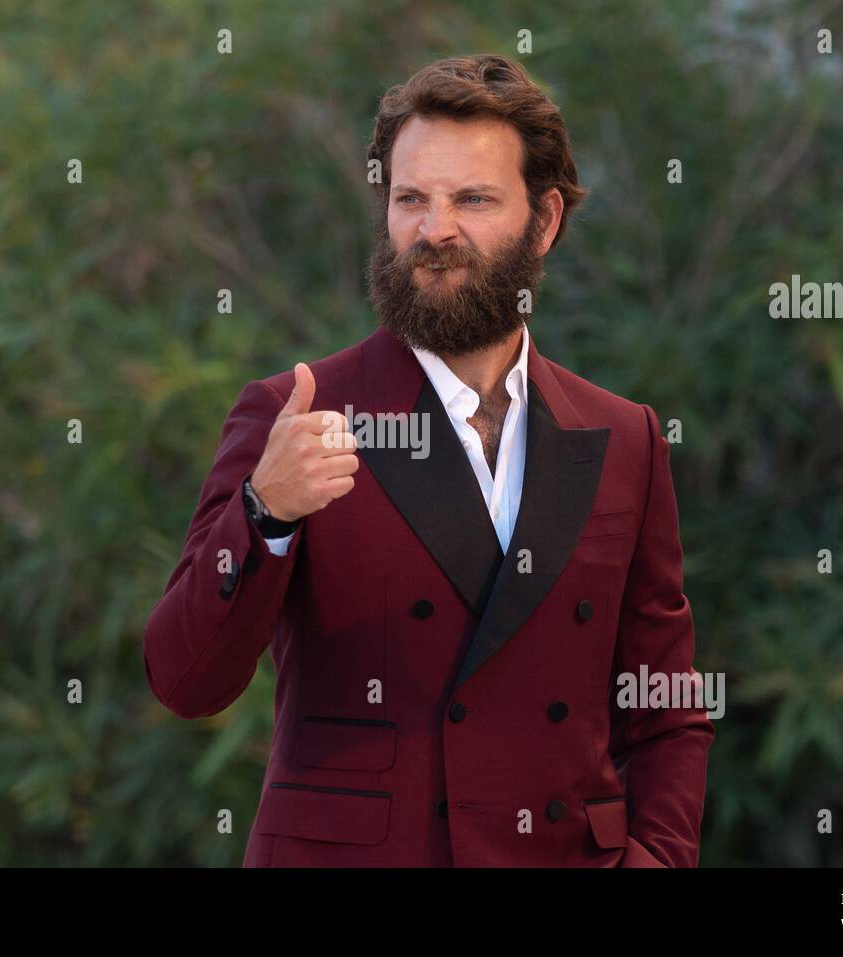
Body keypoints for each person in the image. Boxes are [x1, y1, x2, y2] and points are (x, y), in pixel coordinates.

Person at [144, 54, 713, 867]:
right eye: (411, 198)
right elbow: (183, 679)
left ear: (545, 220)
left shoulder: (625, 438)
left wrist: (656, 858)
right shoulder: (299, 415)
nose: (433, 229)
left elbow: (665, 707)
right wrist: (263, 513)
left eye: (472, 199)